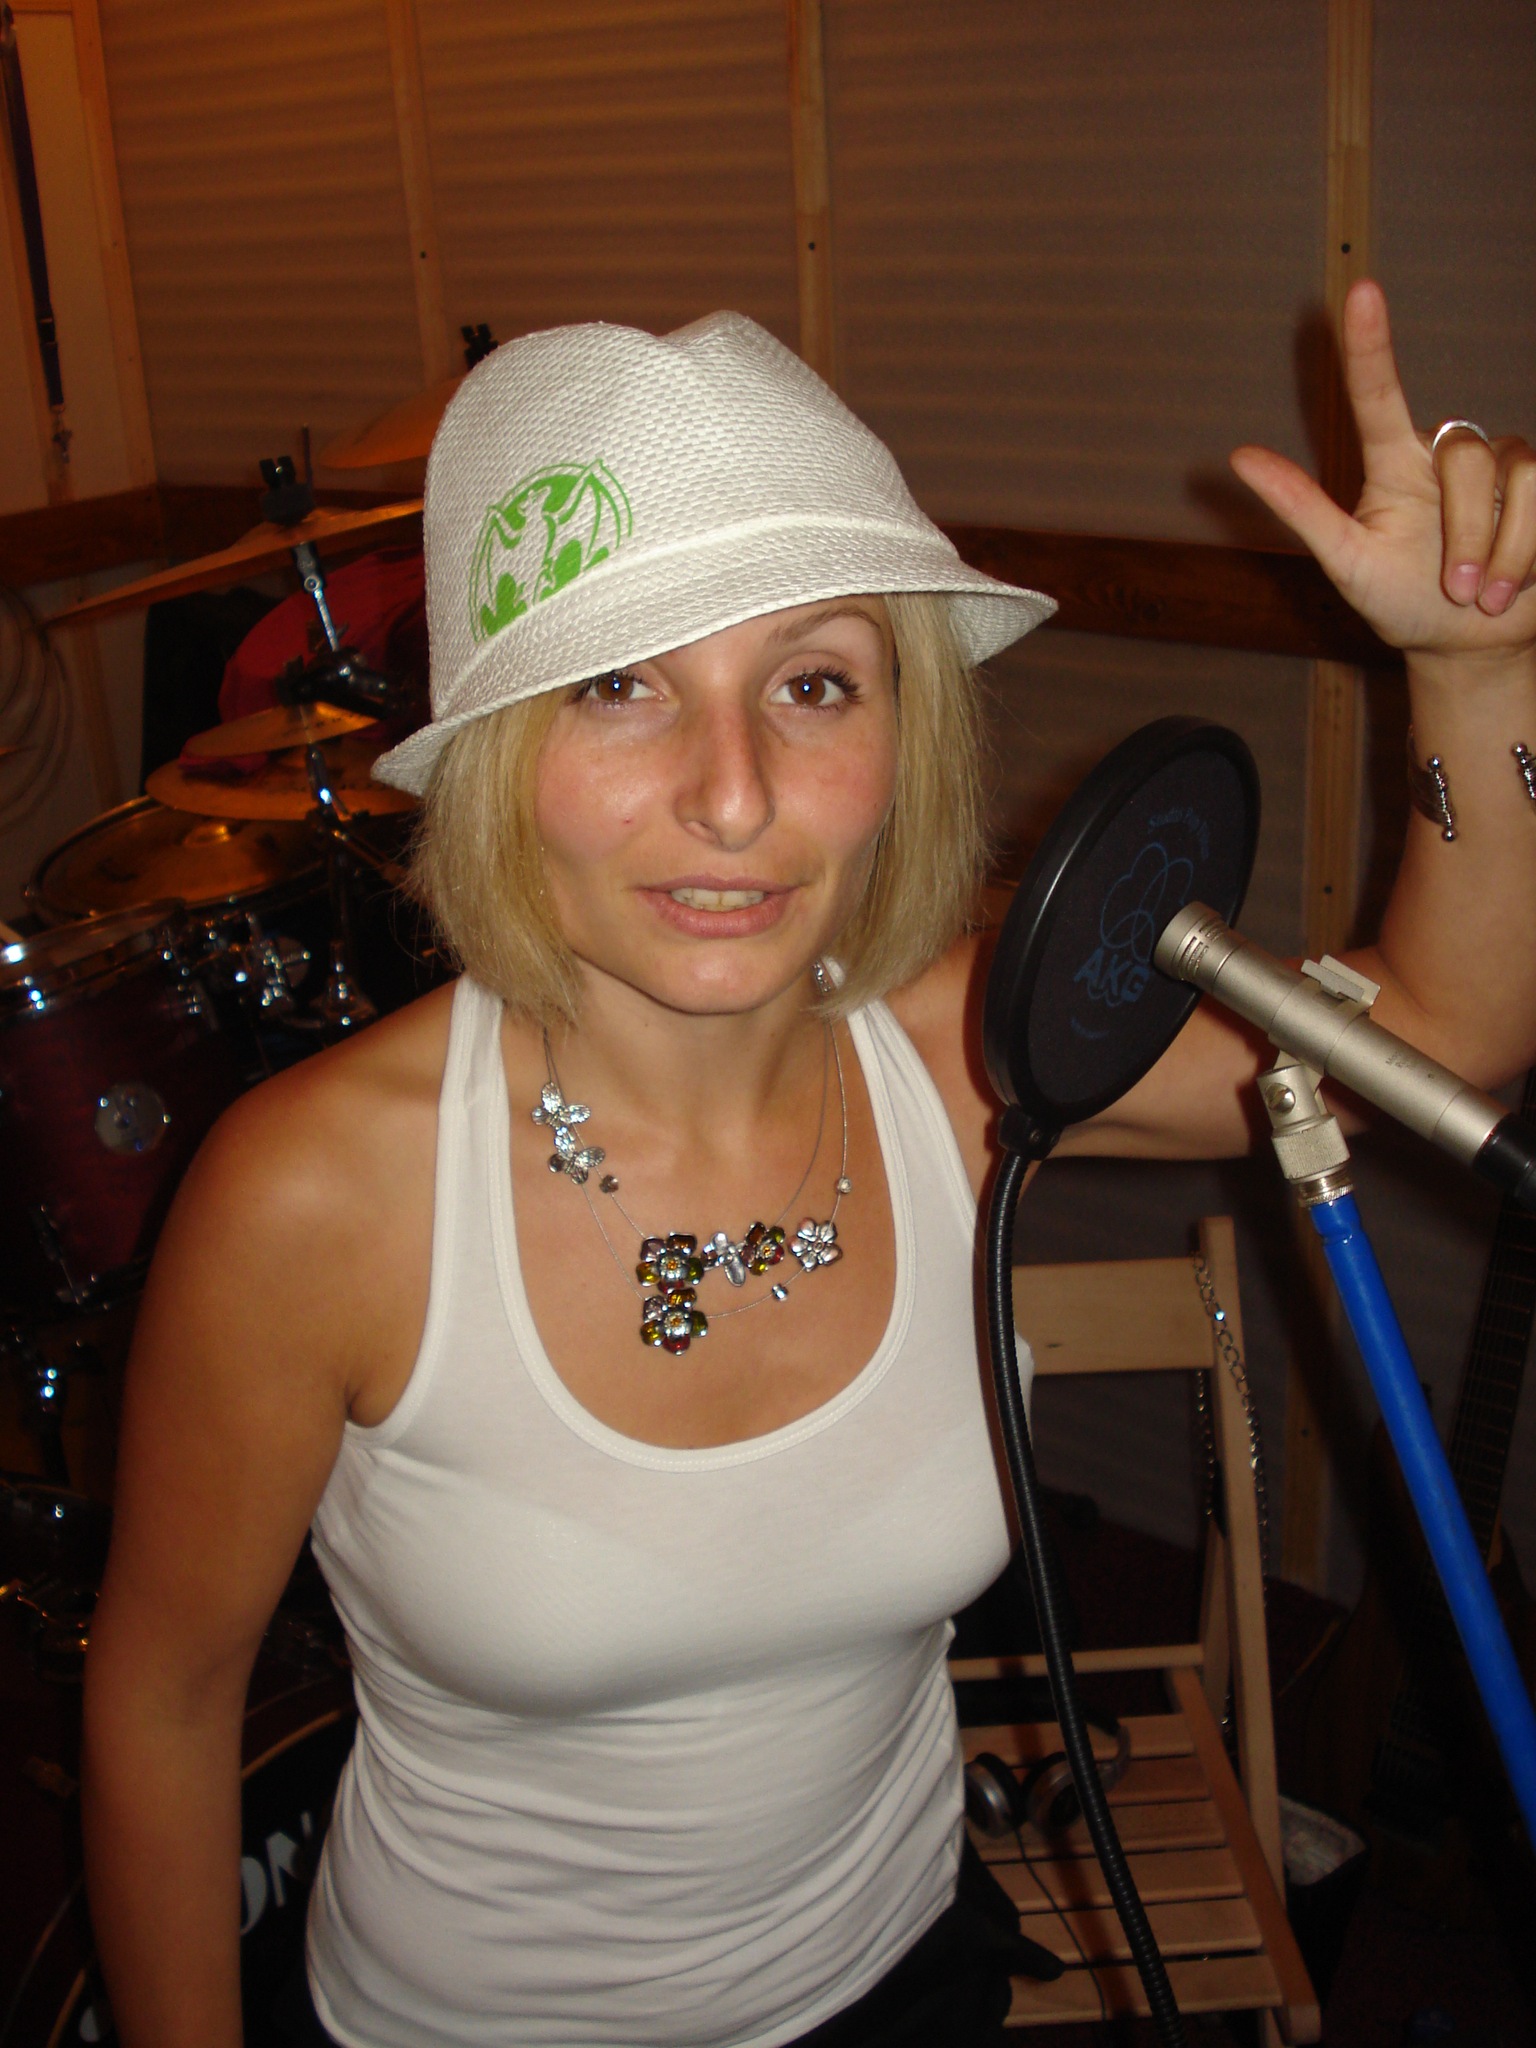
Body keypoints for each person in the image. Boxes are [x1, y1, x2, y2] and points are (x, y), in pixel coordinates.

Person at [82, 284, 1536, 2048]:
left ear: (900, 737)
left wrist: (1476, 678)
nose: (734, 794)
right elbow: (165, 1703)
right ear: (492, 752)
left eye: (813, 682)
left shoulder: (967, 1052)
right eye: (619, 684)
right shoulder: (316, 1196)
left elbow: (1434, 1042)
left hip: (904, 1972)